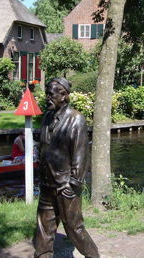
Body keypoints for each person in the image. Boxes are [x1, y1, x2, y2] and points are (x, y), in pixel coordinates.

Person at [34, 77, 99, 258]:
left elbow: (80, 154)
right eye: (46, 94)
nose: (47, 97)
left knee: (74, 228)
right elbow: (43, 146)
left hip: (65, 186)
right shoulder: (47, 117)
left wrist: (73, 183)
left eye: (51, 94)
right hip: (47, 183)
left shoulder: (76, 119)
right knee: (43, 227)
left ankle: (93, 256)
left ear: (63, 95)